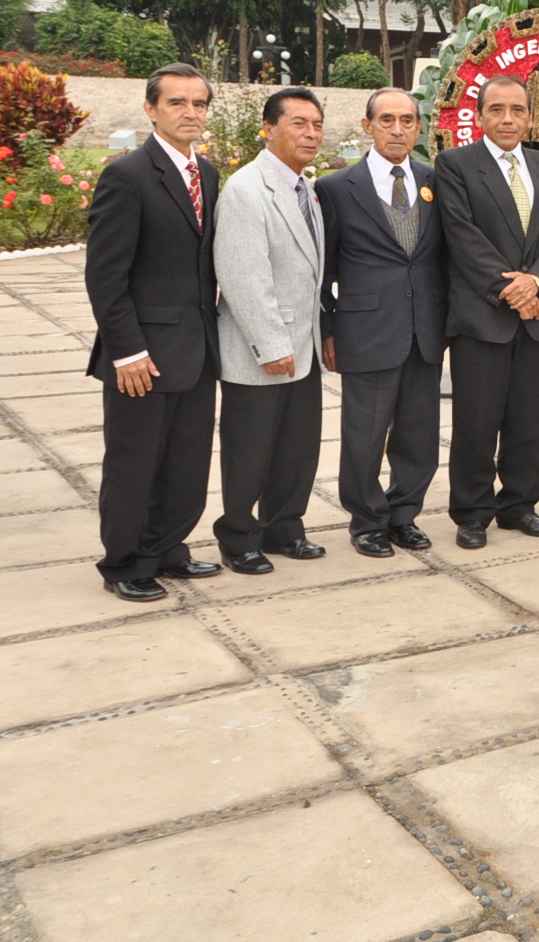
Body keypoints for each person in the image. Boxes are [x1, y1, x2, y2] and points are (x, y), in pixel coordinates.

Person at [85, 64, 225, 601]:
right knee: (134, 462)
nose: (191, 113)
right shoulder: (127, 176)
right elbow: (105, 275)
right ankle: (124, 563)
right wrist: (127, 351)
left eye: (199, 104)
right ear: (151, 109)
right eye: (177, 103)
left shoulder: (206, 174)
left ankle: (167, 547)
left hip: (196, 349)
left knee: (186, 461)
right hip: (143, 354)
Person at [434, 75, 539, 549]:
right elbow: (463, 237)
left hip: (534, 319)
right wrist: (511, 289)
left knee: (528, 420)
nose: (507, 119)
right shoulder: (455, 165)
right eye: (497, 110)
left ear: (531, 118)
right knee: (477, 420)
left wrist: (537, 282)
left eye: (517, 110)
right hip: (481, 317)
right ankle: (472, 512)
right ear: (479, 115)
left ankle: (519, 505)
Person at [319, 89, 446, 557]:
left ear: (419, 127)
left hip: (425, 330)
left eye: (408, 120)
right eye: (388, 119)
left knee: (419, 433)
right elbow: (322, 272)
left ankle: (404, 513)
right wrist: (328, 328)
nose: (398, 129)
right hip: (366, 330)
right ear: (368, 125)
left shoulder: (436, 181)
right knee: (365, 434)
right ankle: (367, 520)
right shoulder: (336, 188)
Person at [211, 87, 331, 573]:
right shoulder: (245, 190)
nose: (310, 134)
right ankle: (239, 537)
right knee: (250, 451)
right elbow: (243, 277)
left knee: (296, 448)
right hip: (262, 350)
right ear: (269, 128)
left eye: (317, 125)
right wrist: (272, 346)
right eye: (299, 123)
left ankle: (285, 528)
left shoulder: (307, 188)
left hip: (303, 348)